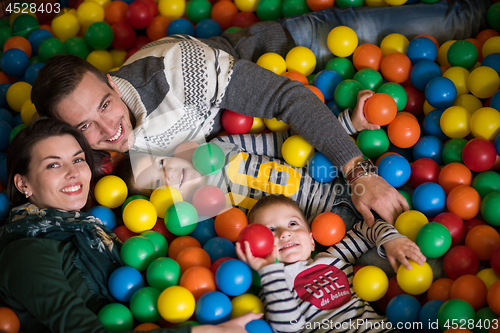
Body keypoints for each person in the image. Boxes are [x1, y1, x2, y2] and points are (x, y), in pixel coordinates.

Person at [30, 0, 491, 226]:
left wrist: (358, 169)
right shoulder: (92, 156)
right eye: (85, 126)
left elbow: (286, 99)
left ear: (113, 82)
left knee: (456, 22)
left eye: (106, 106)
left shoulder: (175, 72)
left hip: (295, 52)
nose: (109, 129)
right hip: (251, 127)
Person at [0, 117, 261, 333]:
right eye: (53, 164)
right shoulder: (25, 253)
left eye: (78, 159)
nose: (73, 172)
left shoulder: (89, 227)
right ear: (23, 184)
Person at [235, 194, 426, 333]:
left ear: (311, 241)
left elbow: (364, 228)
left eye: (293, 224)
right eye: (271, 230)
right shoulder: (274, 282)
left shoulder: (332, 258)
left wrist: (390, 239)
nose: (284, 233)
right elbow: (288, 328)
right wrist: (269, 270)